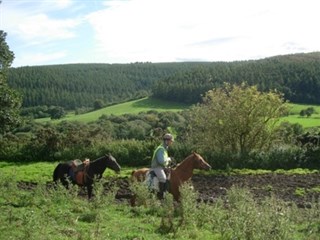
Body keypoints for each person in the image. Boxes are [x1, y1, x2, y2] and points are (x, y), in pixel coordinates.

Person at [151, 133, 174, 199]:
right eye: (170, 141)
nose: (171, 143)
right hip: (157, 167)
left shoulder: (164, 149)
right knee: (163, 178)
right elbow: (161, 161)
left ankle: (166, 191)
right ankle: (161, 194)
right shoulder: (161, 149)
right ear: (166, 141)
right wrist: (168, 159)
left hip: (161, 167)